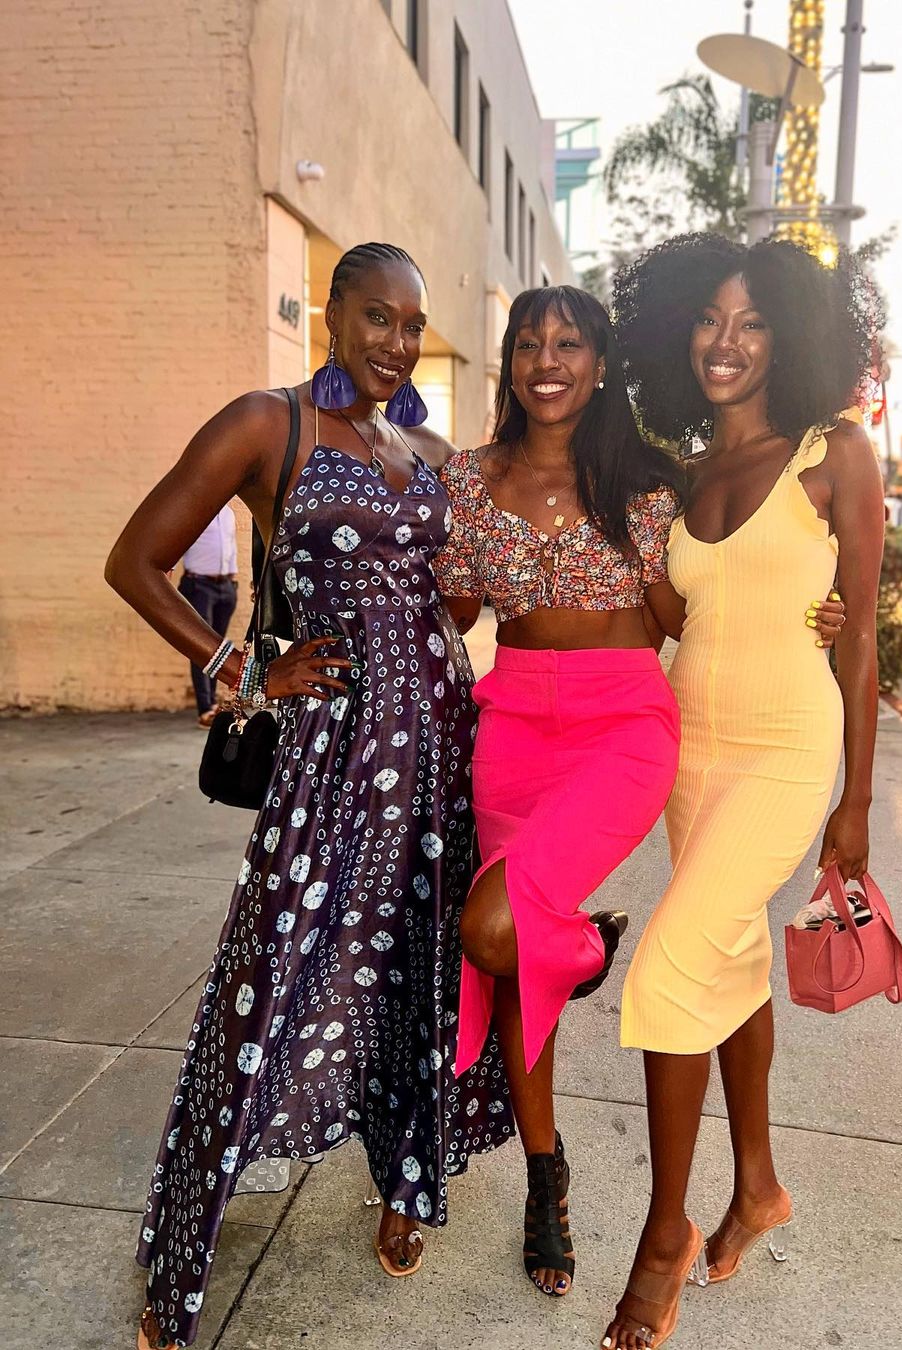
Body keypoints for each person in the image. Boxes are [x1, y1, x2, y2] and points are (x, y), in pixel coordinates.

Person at [105, 243, 512, 1350]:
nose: (396, 342)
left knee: (422, 964)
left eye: (412, 325)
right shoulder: (268, 423)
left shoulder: (429, 451)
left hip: (441, 744)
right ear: (333, 313)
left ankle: (408, 1184)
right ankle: (183, 1248)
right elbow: (134, 561)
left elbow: (454, 603)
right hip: (333, 755)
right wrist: (242, 670)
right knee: (272, 973)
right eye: (377, 316)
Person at [433, 284, 845, 1305]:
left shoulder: (646, 478)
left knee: (497, 925)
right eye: (529, 344)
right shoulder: (467, 480)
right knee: (509, 951)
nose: (547, 361)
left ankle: (589, 943)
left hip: (622, 724)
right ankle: (545, 1175)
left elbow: (688, 606)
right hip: (513, 722)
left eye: (569, 343)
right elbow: (452, 607)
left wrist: (816, 606)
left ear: (602, 362)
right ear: (508, 362)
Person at [601, 236, 884, 1350]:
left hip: (786, 746)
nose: (727, 341)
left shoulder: (833, 454)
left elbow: (859, 637)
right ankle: (757, 1185)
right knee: (726, 957)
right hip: (693, 748)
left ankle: (662, 1233)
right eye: (710, 319)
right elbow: (680, 621)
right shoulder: (680, 477)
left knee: (672, 962)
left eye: (753, 321)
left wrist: (856, 801)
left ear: (791, 337)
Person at [177, 505, 238, 725]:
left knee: (217, 648)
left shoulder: (228, 513)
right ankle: (205, 709)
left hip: (225, 586)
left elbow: (230, 545)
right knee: (201, 647)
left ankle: (212, 703)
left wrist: (233, 580)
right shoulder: (195, 509)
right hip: (199, 585)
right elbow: (176, 541)